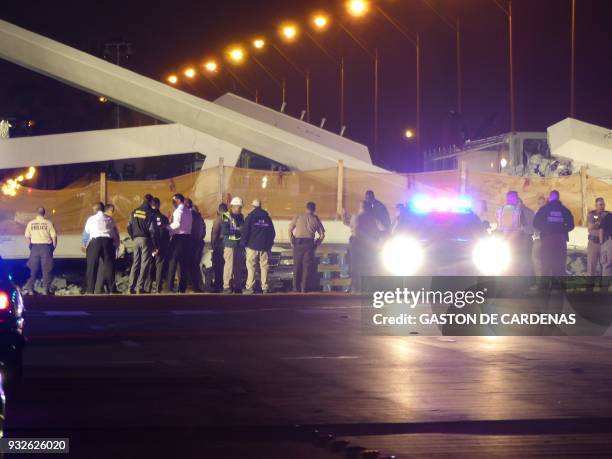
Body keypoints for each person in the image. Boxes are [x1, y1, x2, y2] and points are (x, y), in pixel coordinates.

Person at [533, 190, 575, 276]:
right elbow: (571, 225)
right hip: (560, 240)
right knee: (559, 265)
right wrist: (563, 230)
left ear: (550, 197)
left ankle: (545, 287)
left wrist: (545, 229)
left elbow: (535, 223)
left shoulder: (544, 209)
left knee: (546, 265)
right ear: (558, 197)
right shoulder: (565, 210)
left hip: (547, 240)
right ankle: (559, 287)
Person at [288, 201, 325, 292]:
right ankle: (304, 288)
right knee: (306, 268)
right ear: (314, 209)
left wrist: (292, 240)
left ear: (306, 208)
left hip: (298, 243)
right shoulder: (315, 219)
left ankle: (295, 288)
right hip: (309, 244)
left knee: (296, 266)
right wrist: (316, 244)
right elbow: (322, 235)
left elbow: (290, 229)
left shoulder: (298, 217)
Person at [84, 203, 120, 294]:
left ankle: (90, 290)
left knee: (92, 266)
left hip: (95, 242)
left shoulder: (91, 219)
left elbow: (87, 232)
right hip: (108, 242)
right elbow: (115, 232)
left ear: (96, 210)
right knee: (109, 266)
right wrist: (116, 245)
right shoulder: (110, 219)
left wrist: (84, 244)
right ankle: (112, 289)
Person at [241, 199, 276, 294]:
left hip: (252, 247)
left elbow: (245, 232)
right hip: (265, 247)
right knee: (264, 267)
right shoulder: (267, 218)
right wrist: (269, 244)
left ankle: (250, 288)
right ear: (261, 206)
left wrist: (243, 244)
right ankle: (265, 287)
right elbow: (272, 233)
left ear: (253, 206)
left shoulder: (250, 217)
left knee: (251, 267)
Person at [127, 194, 157, 294]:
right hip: (146, 239)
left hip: (135, 240)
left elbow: (129, 226)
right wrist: (154, 244)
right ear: (150, 202)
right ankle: (140, 287)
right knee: (145, 264)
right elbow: (152, 229)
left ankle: (130, 287)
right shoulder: (150, 213)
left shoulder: (134, 211)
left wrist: (133, 236)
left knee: (135, 263)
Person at [23, 207, 57, 295]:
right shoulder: (48, 223)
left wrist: (30, 246)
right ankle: (46, 290)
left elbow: (27, 236)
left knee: (33, 269)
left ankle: (30, 289)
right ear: (44, 213)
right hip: (46, 248)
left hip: (34, 248)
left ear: (37, 213)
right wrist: (53, 247)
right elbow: (54, 236)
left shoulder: (31, 223)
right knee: (47, 269)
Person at [348, 201, 381, 293]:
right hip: (367, 244)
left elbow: (352, 227)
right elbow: (379, 229)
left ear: (360, 207)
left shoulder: (356, 217)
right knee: (367, 266)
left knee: (355, 266)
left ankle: (355, 288)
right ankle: (366, 288)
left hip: (356, 242)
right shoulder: (372, 218)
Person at [165, 194, 192, 293]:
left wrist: (166, 227)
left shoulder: (178, 211)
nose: (172, 202)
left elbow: (176, 224)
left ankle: (169, 286)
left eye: (174, 200)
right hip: (187, 239)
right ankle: (182, 288)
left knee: (172, 262)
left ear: (178, 200)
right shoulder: (188, 212)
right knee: (184, 264)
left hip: (178, 239)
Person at [221, 197, 246, 294]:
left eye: (241, 207)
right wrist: (238, 230)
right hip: (230, 245)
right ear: (233, 206)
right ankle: (227, 286)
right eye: (239, 207)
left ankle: (237, 286)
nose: (240, 209)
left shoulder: (241, 216)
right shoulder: (226, 216)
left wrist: (239, 230)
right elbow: (225, 231)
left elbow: (243, 229)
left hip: (239, 245)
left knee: (238, 267)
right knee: (229, 266)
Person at [185, 198, 205, 292]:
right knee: (195, 265)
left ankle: (190, 285)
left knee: (189, 265)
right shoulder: (199, 217)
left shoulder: (188, 215)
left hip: (190, 243)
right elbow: (202, 232)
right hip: (197, 243)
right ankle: (196, 285)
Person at [150, 197, 170, 293]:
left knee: (147, 265)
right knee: (159, 266)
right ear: (158, 205)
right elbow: (165, 232)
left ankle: (146, 287)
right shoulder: (163, 217)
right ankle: (158, 287)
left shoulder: (147, 215)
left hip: (148, 244)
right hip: (160, 245)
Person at [587, 198, 607, 276]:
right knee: (591, 267)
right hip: (593, 244)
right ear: (596, 206)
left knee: (604, 266)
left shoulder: (608, 215)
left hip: (604, 244)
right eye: (600, 204)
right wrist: (601, 222)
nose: (603, 206)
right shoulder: (592, 214)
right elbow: (590, 227)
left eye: (603, 204)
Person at [210, 203, 228, 292]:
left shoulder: (218, 219)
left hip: (219, 245)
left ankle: (218, 285)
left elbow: (214, 233)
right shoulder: (229, 218)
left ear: (219, 210)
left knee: (218, 266)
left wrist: (213, 245)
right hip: (228, 245)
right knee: (226, 266)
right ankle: (226, 284)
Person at [531, 196, 547, 276]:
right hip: (545, 239)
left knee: (537, 261)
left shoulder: (538, 213)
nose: (540, 204)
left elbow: (534, 225)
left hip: (539, 239)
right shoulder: (547, 212)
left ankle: (540, 282)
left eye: (542, 202)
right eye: (539, 203)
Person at [599, 208, 612, 276]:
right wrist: (602, 243)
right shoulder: (609, 216)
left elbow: (601, 230)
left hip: (608, 242)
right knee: (607, 265)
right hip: (609, 242)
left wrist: (602, 244)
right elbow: (601, 230)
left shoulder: (608, 216)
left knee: (607, 265)